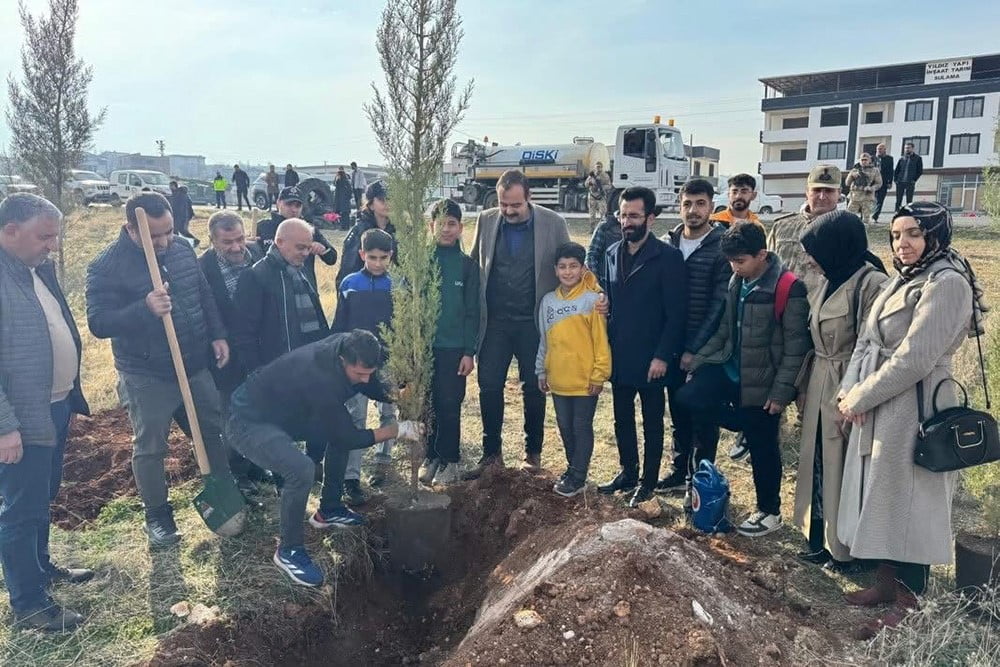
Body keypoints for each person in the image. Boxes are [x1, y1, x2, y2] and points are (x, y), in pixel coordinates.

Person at [837, 202, 987, 640]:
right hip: (880, 402)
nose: (903, 243)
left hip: (916, 408)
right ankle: (886, 580)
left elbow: (914, 359)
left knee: (910, 502)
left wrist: (862, 395)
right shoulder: (905, 278)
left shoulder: (949, 283)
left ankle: (910, 600)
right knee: (881, 495)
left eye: (914, 234)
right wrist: (849, 391)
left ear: (936, 235)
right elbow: (867, 341)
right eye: (897, 234)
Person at [86, 192, 232, 547]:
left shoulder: (181, 249)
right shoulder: (106, 266)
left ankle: (226, 495)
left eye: (168, 231)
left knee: (213, 430)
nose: (165, 241)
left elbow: (203, 293)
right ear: (130, 229)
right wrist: (144, 307)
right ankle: (158, 516)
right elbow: (98, 322)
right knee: (151, 447)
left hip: (194, 364)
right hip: (147, 374)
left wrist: (217, 335)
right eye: (155, 236)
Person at [225, 330, 423, 587]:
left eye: (369, 373)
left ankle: (329, 509)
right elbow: (349, 437)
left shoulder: (352, 345)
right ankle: (289, 551)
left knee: (338, 431)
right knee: (301, 468)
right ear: (342, 361)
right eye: (359, 374)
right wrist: (396, 430)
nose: (365, 381)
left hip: (286, 412)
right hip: (247, 421)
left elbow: (368, 384)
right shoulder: (319, 376)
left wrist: (395, 394)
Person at [681, 222, 811, 537]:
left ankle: (769, 511)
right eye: (730, 261)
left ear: (761, 254)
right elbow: (726, 332)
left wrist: (781, 393)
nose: (734, 267)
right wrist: (698, 361)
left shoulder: (788, 287)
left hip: (764, 382)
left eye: (740, 261)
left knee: (764, 445)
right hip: (729, 368)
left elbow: (796, 348)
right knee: (688, 399)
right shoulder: (736, 281)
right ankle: (708, 470)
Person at [0, 193, 92, 631]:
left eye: (54, 237)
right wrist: (4, 427)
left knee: (41, 498)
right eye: (44, 236)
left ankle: (41, 568)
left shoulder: (38, 270)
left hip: (55, 406)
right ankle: (29, 604)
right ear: (10, 231)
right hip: (20, 419)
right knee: (20, 507)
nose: (51, 245)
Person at [792, 210, 887, 572]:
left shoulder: (870, 284)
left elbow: (872, 345)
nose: (808, 259)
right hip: (819, 379)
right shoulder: (828, 278)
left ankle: (847, 550)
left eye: (813, 250)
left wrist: (858, 395)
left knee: (844, 465)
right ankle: (817, 536)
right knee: (816, 460)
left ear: (835, 247)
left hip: (849, 383)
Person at [466, 169, 571, 478]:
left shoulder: (554, 224)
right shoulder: (486, 220)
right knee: (489, 387)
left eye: (515, 205)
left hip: (532, 323)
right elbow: (474, 266)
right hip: (495, 323)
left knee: (534, 389)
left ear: (529, 197)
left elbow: (572, 269)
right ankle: (491, 455)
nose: (508, 211)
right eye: (503, 205)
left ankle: (533, 453)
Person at [597, 186, 686, 507]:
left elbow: (677, 314)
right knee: (621, 419)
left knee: (651, 421)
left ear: (650, 217)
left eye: (633, 215)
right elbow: (611, 299)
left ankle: (648, 482)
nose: (626, 221)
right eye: (623, 215)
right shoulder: (610, 253)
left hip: (652, 357)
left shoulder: (668, 257)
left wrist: (663, 355)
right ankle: (628, 472)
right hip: (620, 354)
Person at [232, 217, 331, 479]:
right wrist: (257, 371)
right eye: (300, 247)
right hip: (277, 369)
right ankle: (283, 477)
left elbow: (316, 314)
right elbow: (244, 333)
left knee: (317, 416)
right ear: (279, 242)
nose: (306, 253)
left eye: (308, 247)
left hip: (310, 365)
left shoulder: (300, 268)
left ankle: (314, 464)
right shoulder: (256, 277)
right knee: (280, 425)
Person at [656, 178, 732, 498]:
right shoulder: (667, 243)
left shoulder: (722, 246)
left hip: (705, 349)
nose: (693, 211)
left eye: (700, 204)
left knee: (703, 415)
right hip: (670, 344)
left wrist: (694, 350)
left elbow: (718, 304)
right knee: (677, 409)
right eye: (687, 203)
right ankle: (678, 468)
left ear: (711, 207)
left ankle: (700, 479)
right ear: (679, 205)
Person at [535, 242, 610, 497]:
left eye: (573, 267)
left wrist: (599, 374)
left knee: (581, 425)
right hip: (558, 379)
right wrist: (541, 371)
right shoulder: (548, 301)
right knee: (564, 426)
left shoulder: (593, 301)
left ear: (582, 268)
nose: (568, 272)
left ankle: (578, 476)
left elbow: (601, 342)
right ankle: (572, 468)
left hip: (584, 381)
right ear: (555, 270)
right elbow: (544, 339)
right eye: (563, 267)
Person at [198, 211, 265, 492]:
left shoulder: (259, 255)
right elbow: (203, 311)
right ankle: (239, 472)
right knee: (232, 414)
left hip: (258, 352)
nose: (237, 247)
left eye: (240, 239)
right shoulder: (202, 268)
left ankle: (258, 463)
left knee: (259, 411)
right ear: (212, 240)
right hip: (226, 356)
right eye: (227, 242)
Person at [417, 199, 479, 487]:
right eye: (440, 223)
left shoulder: (467, 266)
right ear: (431, 226)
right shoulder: (419, 262)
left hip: (454, 349)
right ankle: (431, 456)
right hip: (424, 349)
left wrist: (469, 351)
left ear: (460, 227)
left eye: (451, 223)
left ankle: (450, 459)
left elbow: (472, 312)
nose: (445, 229)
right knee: (428, 405)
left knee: (449, 403)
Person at [332, 228, 396, 498]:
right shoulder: (349, 284)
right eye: (372, 257)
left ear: (390, 257)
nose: (378, 263)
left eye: (383, 258)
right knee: (356, 416)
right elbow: (341, 324)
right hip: (356, 363)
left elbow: (403, 325)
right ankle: (351, 477)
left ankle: (383, 461)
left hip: (389, 360)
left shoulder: (398, 285)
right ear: (362, 255)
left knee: (388, 411)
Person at [766, 164, 842, 296]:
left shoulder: (848, 229)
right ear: (807, 192)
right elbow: (766, 267)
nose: (822, 196)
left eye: (829, 191)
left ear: (839, 193)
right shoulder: (782, 225)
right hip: (785, 302)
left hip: (828, 305)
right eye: (816, 190)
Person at [256, 186, 337, 292]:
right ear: (278, 203)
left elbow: (332, 259)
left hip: (304, 289)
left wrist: (323, 250)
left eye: (298, 205)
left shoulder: (309, 229)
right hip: (273, 290)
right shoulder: (263, 227)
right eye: (289, 204)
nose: (294, 209)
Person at [336, 181, 397, 287]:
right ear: (371, 204)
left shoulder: (400, 231)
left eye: (391, 200)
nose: (387, 204)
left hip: (393, 293)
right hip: (363, 292)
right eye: (382, 200)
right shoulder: (359, 232)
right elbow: (347, 271)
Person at [585, 211, 621, 291]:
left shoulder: (639, 229)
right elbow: (591, 255)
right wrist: (596, 281)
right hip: (605, 282)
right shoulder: (605, 228)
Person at [845, 154, 882, 225]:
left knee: (866, 220)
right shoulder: (854, 170)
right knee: (849, 217)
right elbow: (847, 183)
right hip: (855, 197)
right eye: (862, 160)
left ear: (870, 160)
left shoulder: (875, 170)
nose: (864, 162)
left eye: (866, 160)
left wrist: (872, 188)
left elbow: (879, 183)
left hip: (867, 197)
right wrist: (851, 176)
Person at [893, 142, 923, 212]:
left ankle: (908, 213)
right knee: (898, 199)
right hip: (900, 182)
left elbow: (920, 171)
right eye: (906, 148)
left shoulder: (918, 158)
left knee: (909, 200)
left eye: (908, 148)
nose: (907, 149)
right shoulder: (902, 158)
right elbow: (897, 170)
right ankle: (897, 212)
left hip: (910, 182)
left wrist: (914, 179)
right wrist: (895, 180)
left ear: (912, 149)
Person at [168, 181, 199, 248]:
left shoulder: (179, 195)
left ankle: (194, 240)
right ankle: (176, 244)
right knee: (178, 231)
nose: (170, 187)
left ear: (175, 186)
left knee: (180, 231)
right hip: (181, 216)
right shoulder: (177, 194)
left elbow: (180, 207)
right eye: (170, 186)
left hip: (181, 216)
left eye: (171, 186)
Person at [584, 161, 611, 231]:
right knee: (592, 214)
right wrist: (590, 183)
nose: (598, 168)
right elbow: (585, 184)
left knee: (603, 213)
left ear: (602, 167)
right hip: (592, 196)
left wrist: (601, 187)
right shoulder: (591, 176)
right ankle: (592, 229)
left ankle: (603, 228)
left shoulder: (605, 176)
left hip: (601, 197)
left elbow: (609, 186)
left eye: (599, 167)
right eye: (597, 167)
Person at [872, 144, 894, 222]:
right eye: (878, 149)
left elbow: (891, 171)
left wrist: (890, 182)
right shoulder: (872, 159)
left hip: (883, 182)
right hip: (873, 183)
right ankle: (867, 215)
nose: (879, 150)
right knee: (871, 199)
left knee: (880, 200)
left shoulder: (889, 159)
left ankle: (875, 216)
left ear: (885, 150)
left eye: (881, 149)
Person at [333, 166, 353, 231]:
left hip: (341, 201)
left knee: (342, 214)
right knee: (345, 214)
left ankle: (343, 226)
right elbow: (350, 190)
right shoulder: (345, 181)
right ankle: (345, 226)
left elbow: (335, 187)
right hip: (344, 201)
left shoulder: (339, 181)